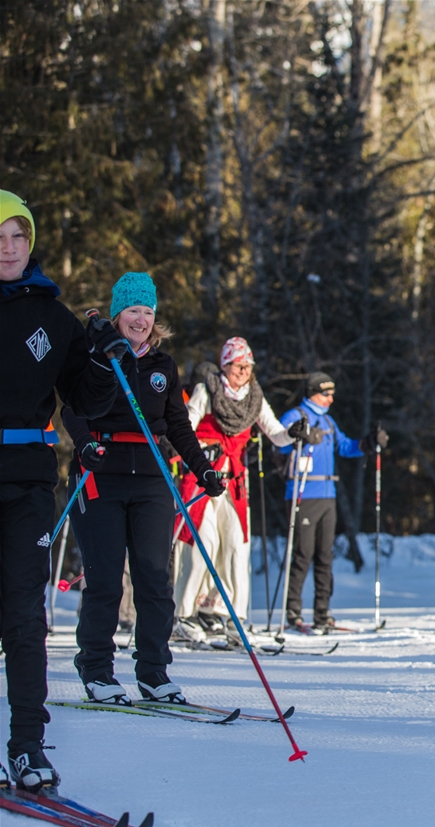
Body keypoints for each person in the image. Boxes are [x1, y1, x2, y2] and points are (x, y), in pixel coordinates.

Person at [0, 190, 120, 791]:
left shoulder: (52, 315)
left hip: (25, 484)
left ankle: (26, 745)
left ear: (31, 244)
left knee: (24, 616)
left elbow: (88, 398)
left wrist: (103, 359)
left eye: (18, 235)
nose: (8, 246)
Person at [62, 271, 225, 708]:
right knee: (106, 580)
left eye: (148, 312)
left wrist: (203, 469)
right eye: (133, 310)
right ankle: (96, 668)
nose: (140, 320)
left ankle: (153, 672)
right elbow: (72, 407)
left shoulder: (162, 366)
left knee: (155, 579)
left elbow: (178, 427)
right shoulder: (95, 355)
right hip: (101, 474)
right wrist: (85, 445)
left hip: (152, 477)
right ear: (117, 315)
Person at [172, 337, 302, 643]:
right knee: (200, 543)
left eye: (248, 366)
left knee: (235, 547)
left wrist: (292, 435)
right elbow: (185, 426)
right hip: (204, 475)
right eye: (238, 365)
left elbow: (275, 433)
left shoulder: (253, 396)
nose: (243, 371)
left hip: (233, 482)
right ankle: (185, 613)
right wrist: (202, 451)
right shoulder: (208, 389)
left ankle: (229, 613)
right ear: (225, 365)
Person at [278, 372, 386, 632]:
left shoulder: (327, 420)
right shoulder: (295, 416)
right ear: (313, 392)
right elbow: (279, 444)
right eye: (326, 393)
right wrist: (300, 437)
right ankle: (293, 612)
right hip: (303, 492)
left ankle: (322, 612)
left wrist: (368, 443)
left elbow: (345, 446)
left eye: (332, 393)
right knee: (303, 554)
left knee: (325, 555)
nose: (331, 398)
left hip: (328, 493)